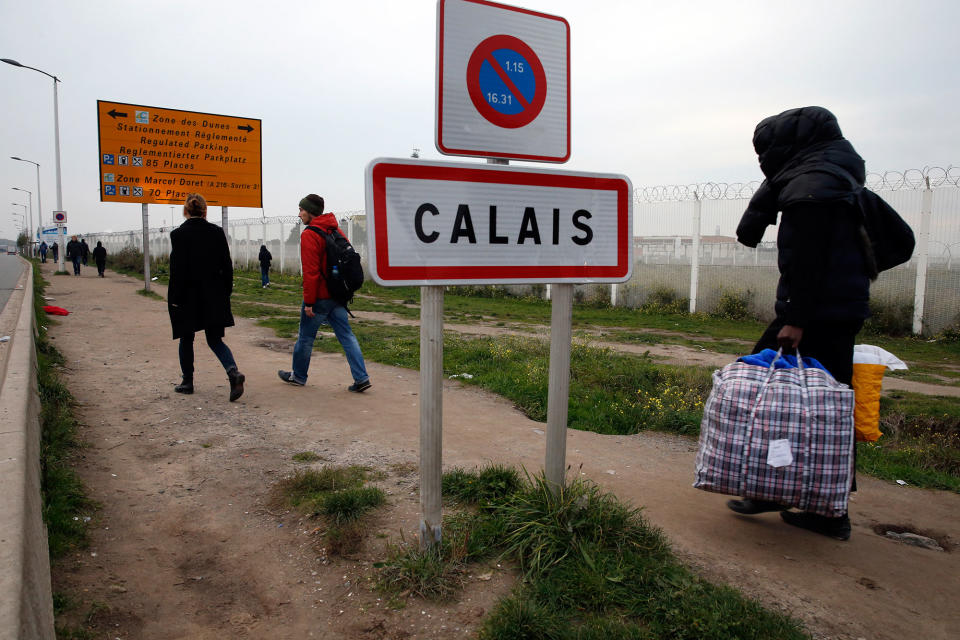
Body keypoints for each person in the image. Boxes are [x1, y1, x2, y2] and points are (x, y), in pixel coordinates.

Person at [730, 106, 871, 541]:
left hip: (818, 315)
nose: (763, 160)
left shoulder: (814, 189)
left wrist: (795, 320)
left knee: (789, 396)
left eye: (766, 151)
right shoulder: (828, 177)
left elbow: (809, 263)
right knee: (806, 405)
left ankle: (825, 511)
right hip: (834, 310)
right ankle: (785, 491)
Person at [278, 194, 371, 392]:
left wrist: (309, 302)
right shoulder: (333, 228)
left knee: (305, 337)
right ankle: (361, 378)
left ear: (311, 212)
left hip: (320, 296)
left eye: (302, 210)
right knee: (346, 336)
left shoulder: (310, 234)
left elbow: (311, 273)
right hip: (337, 295)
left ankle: (299, 376)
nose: (299, 214)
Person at [168, 193, 245, 401]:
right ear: (205, 211)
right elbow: (227, 266)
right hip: (214, 295)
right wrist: (225, 292)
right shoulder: (217, 232)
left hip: (187, 296)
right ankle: (233, 373)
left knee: (186, 337)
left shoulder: (178, 235)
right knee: (214, 339)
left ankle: (188, 382)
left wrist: (174, 297)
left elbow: (177, 270)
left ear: (185, 211)